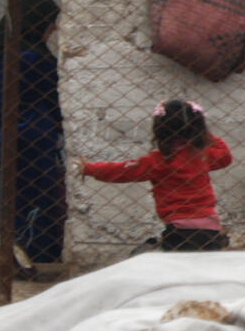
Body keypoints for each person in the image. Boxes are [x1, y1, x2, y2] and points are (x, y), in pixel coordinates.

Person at [0, 0, 67, 267]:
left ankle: (7, 255)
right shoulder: (36, 59)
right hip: (34, 139)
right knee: (35, 203)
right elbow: (55, 100)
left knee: (10, 203)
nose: (54, 28)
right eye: (51, 22)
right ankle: (23, 257)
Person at [83, 98, 234, 252]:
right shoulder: (202, 156)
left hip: (179, 230)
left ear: (159, 130)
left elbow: (123, 171)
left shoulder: (158, 162)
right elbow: (225, 155)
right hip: (211, 227)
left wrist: (89, 168)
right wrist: (203, 132)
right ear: (198, 127)